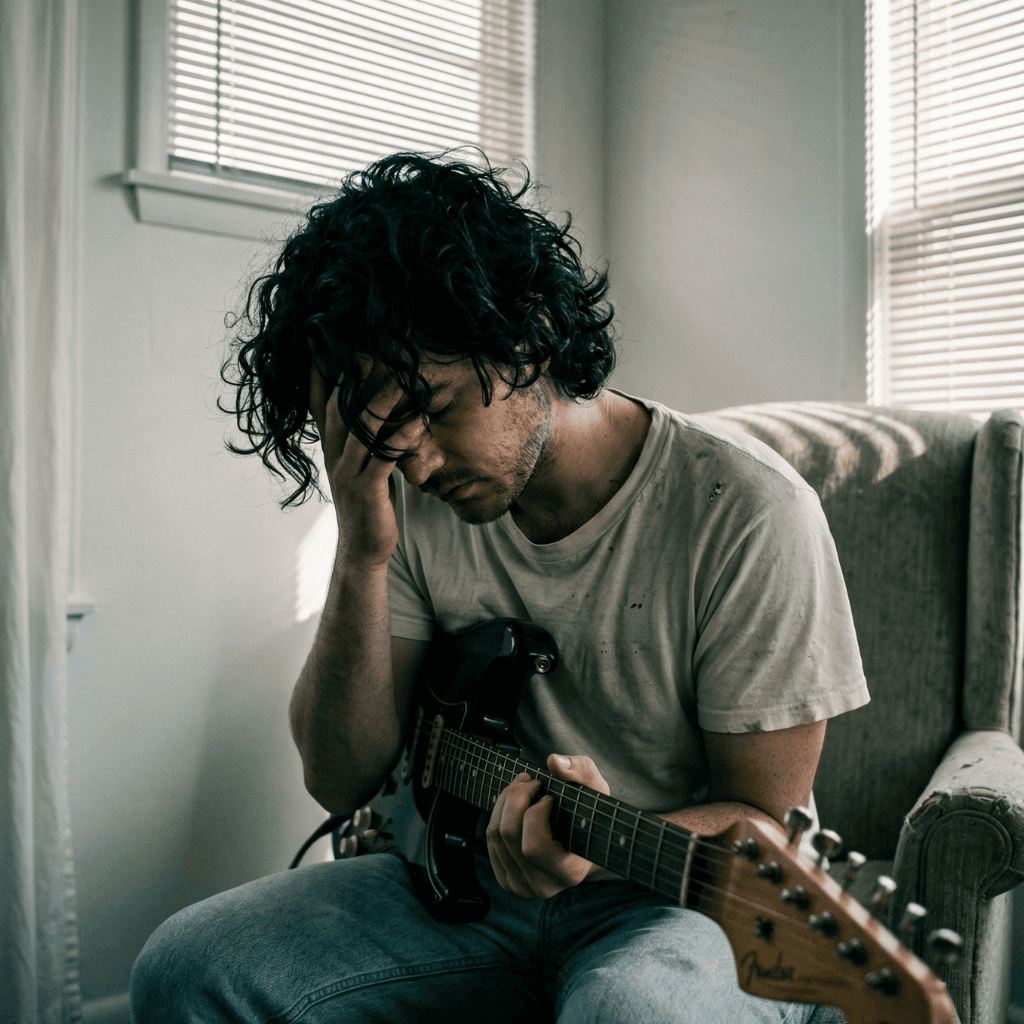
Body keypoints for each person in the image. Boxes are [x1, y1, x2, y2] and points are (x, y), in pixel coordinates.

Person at [131, 152, 869, 1023]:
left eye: (437, 409)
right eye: (386, 437)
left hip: (674, 906)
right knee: (186, 967)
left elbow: (766, 822)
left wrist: (588, 848)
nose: (420, 465)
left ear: (531, 335)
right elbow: (338, 779)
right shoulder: (404, 503)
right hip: (457, 889)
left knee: (632, 1013)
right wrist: (362, 549)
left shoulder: (745, 513)